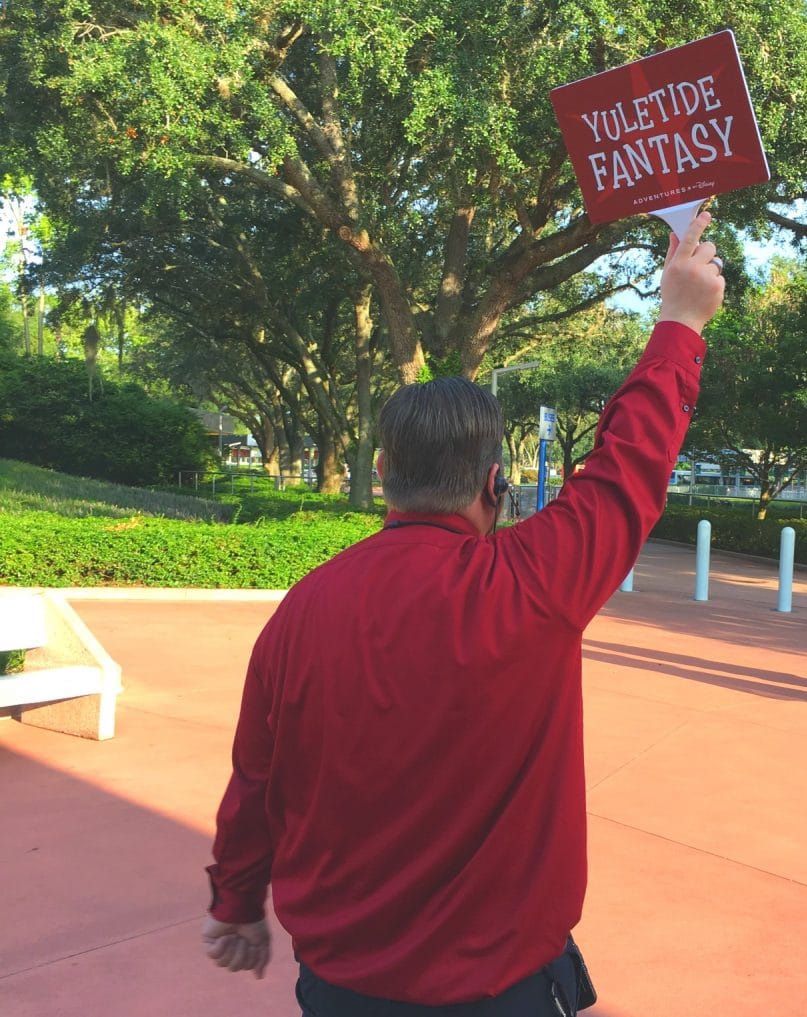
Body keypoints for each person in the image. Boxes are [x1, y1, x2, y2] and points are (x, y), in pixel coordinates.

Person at [201, 211, 725, 1015]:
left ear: (382, 473)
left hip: (341, 987)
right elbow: (628, 467)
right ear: (495, 484)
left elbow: (254, 783)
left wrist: (237, 904)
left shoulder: (301, 610)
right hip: (502, 987)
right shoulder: (532, 584)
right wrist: (679, 321)